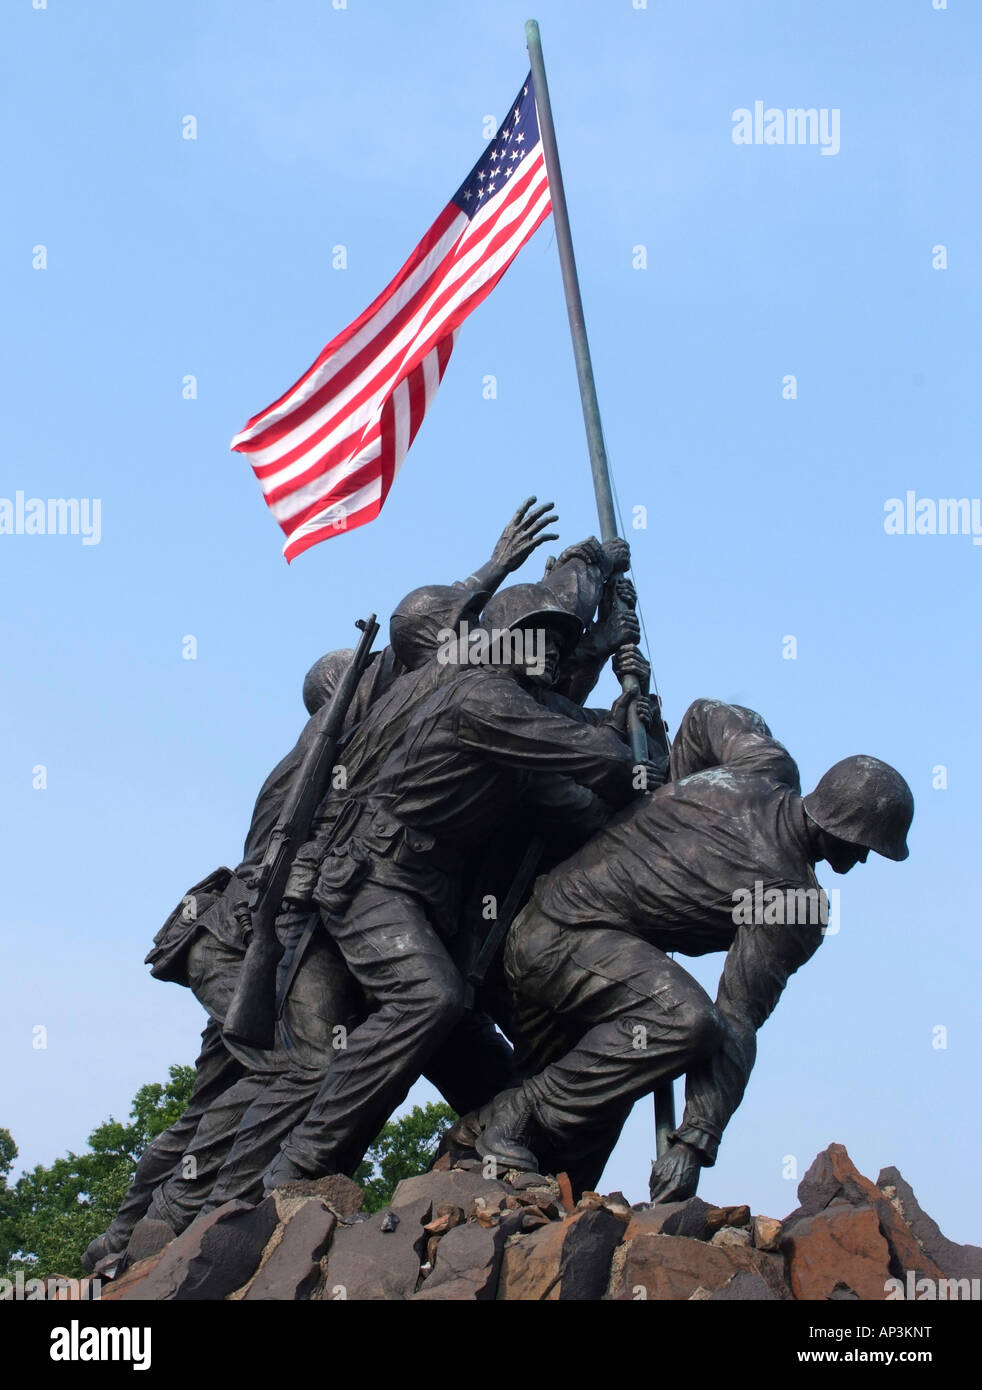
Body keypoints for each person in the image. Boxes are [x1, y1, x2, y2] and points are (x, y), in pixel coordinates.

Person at [473, 698, 914, 1200]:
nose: (861, 860)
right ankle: (518, 1112)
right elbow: (734, 1020)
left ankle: (476, 1156)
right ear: (841, 825)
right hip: (562, 946)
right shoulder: (794, 902)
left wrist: (666, 800)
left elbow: (705, 715)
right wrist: (696, 1142)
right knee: (685, 1023)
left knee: (582, 1133)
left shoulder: (764, 764)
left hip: (558, 939)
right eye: (865, 846)